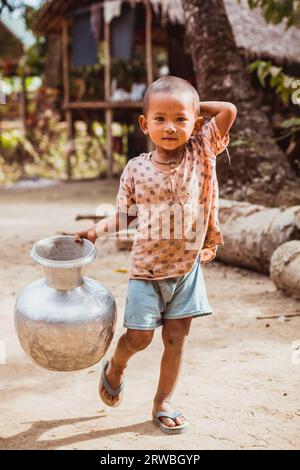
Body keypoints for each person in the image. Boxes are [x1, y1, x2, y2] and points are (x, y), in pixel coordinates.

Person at [74, 76, 237, 434]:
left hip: (187, 268)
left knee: (176, 339)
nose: (170, 127)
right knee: (139, 338)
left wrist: (194, 109)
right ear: (144, 124)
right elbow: (123, 214)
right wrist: (96, 231)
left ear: (195, 123)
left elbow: (228, 110)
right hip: (146, 269)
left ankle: (162, 402)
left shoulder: (201, 149)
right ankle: (117, 366)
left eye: (180, 119)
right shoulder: (135, 168)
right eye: (159, 119)